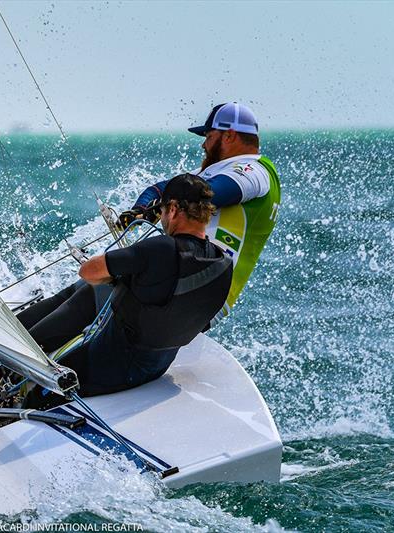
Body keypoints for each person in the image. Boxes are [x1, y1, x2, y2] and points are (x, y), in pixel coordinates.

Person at [18, 174, 232, 398]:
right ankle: (19, 340)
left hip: (106, 368)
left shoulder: (161, 248)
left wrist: (117, 280)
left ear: (174, 208)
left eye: (162, 212)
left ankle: (12, 354)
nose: (162, 220)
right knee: (104, 292)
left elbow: (88, 270)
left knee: (34, 390)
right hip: (155, 369)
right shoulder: (222, 263)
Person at [119, 103, 281, 321]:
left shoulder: (255, 171)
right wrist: (140, 210)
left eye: (208, 136)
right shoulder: (215, 170)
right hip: (186, 280)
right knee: (96, 289)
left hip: (206, 292)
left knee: (100, 289)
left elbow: (209, 194)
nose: (204, 145)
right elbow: (158, 189)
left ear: (229, 136)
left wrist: (164, 204)